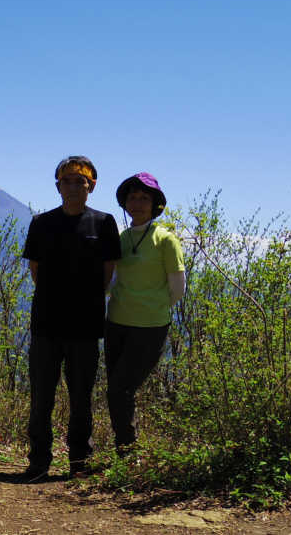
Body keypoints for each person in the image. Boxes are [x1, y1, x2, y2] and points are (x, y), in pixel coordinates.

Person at [21, 155, 121, 480]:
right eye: (68, 180)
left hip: (85, 326)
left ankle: (80, 463)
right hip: (46, 325)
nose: (74, 186)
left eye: (81, 180)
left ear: (91, 186)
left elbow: (109, 273)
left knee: (82, 398)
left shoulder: (104, 223)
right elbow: (36, 272)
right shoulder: (41, 224)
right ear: (58, 186)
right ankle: (39, 462)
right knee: (41, 398)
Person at [105, 172, 185, 454]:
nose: (137, 203)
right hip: (116, 322)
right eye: (132, 197)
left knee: (120, 389)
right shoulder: (121, 238)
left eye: (144, 198)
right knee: (117, 390)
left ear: (155, 204)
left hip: (149, 327)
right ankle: (126, 450)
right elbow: (111, 281)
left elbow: (177, 288)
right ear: (124, 202)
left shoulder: (166, 240)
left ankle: (126, 451)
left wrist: (153, 307)